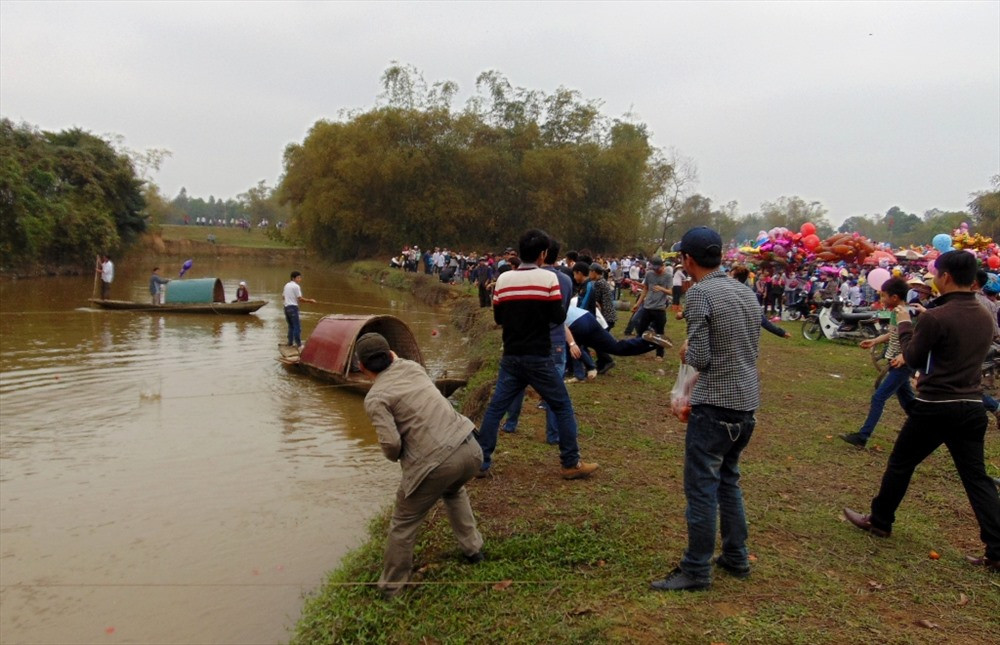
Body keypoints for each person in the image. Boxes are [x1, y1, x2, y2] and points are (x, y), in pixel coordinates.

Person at [844, 251, 1000, 573]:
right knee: (977, 479)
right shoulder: (985, 315)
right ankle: (997, 549)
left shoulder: (937, 317)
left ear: (945, 277)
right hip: (971, 405)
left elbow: (912, 356)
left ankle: (880, 520)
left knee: (901, 463)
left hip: (936, 405)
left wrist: (904, 323)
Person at [651, 226, 761, 592]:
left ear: (687, 260)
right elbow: (749, 347)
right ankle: (736, 556)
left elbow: (699, 357)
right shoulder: (746, 292)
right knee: (728, 480)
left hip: (715, 408)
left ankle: (696, 569)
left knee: (701, 488)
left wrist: (686, 351)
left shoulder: (700, 294)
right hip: (745, 405)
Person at [355, 333, 484, 598]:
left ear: (361, 366)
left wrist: (397, 456)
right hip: (471, 449)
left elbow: (391, 444)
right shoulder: (413, 367)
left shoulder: (376, 398)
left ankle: (392, 586)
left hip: (437, 464)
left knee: (403, 522)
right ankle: (474, 550)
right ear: (391, 354)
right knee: (454, 491)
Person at [475, 229, 598, 480]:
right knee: (562, 405)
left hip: (511, 355)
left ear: (520, 252)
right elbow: (558, 317)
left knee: (496, 408)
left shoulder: (503, 279)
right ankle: (570, 462)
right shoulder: (549, 279)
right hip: (539, 356)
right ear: (543, 254)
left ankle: (480, 462)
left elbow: (499, 318)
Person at [840, 277, 915, 448]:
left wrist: (904, 355)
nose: (881, 299)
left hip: (901, 364)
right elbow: (894, 333)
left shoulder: (905, 313)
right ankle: (927, 428)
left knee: (879, 397)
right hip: (895, 362)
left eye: (883, 296)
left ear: (894, 297)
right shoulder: (897, 312)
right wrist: (875, 341)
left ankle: (863, 436)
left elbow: (914, 337)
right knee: (909, 403)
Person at [631, 257, 672, 360]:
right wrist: (638, 304)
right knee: (641, 330)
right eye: (654, 268)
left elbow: (671, 291)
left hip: (659, 309)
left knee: (660, 332)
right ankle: (638, 349)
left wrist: (662, 289)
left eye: (658, 268)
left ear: (663, 266)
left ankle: (659, 354)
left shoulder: (668, 276)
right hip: (647, 307)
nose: (656, 270)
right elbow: (645, 289)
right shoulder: (649, 274)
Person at [282, 271, 316, 348]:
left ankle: (290, 343)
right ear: (293, 278)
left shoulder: (286, 285)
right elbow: (300, 299)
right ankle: (299, 345)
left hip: (286, 308)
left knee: (291, 326)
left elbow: (283, 297)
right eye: (298, 278)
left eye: (300, 278)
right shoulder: (296, 286)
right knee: (297, 327)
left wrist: (289, 300)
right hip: (293, 308)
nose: (300, 279)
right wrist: (310, 301)